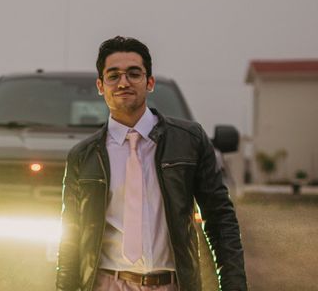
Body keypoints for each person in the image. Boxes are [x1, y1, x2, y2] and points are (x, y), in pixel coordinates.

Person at [56, 37, 247, 291]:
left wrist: (234, 286)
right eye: (113, 76)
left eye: (134, 73)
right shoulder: (83, 156)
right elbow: (70, 239)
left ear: (150, 82)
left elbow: (220, 219)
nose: (123, 82)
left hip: (171, 284)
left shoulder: (189, 141)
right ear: (101, 86)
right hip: (105, 284)